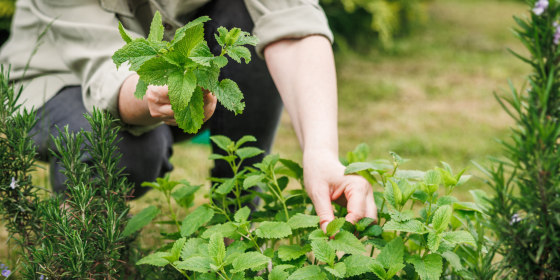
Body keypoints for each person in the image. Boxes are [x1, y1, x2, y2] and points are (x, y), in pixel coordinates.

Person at [0, 0, 377, 231]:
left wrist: (322, 153)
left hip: (176, 77)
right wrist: (158, 96)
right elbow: (107, 73)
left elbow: (291, 20)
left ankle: (238, 220)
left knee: (247, 22)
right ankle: (83, 235)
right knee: (124, 153)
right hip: (53, 78)